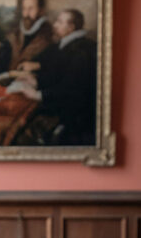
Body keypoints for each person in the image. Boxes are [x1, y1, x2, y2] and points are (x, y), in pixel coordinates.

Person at [14, 9, 97, 145]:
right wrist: (36, 80)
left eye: (59, 22)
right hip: (63, 103)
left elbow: (71, 89)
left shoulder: (81, 51)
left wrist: (38, 94)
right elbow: (56, 75)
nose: (55, 25)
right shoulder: (63, 45)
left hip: (75, 117)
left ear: (70, 28)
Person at [7, 0, 53, 71]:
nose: (27, 13)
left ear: (41, 11)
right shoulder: (15, 33)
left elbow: (54, 64)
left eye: (31, 8)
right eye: (24, 9)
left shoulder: (50, 34)